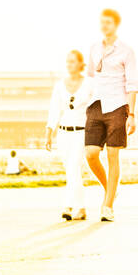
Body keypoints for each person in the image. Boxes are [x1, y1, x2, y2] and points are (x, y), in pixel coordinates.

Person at [85, 8, 138, 222]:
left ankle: (107, 206)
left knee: (112, 156)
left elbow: (133, 84)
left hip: (117, 105)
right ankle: (110, 189)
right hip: (96, 104)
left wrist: (132, 114)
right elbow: (90, 77)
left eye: (108, 22)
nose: (104, 26)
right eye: (102, 22)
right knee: (90, 153)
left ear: (116, 25)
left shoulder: (126, 51)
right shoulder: (93, 48)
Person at [45, 50, 95, 221]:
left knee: (74, 167)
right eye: (67, 62)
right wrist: (49, 131)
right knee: (71, 170)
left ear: (81, 64)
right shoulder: (60, 85)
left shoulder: (90, 84)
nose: (69, 65)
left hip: (81, 132)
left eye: (73, 61)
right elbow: (54, 109)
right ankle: (80, 208)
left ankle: (68, 205)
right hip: (63, 133)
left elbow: (96, 108)